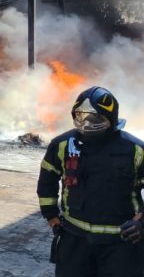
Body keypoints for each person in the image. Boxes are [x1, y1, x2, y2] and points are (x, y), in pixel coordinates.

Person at [37, 86, 144, 276]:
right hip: (74, 241)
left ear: (110, 117)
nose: (86, 123)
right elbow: (47, 181)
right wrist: (51, 216)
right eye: (80, 116)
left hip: (121, 244)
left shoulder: (135, 149)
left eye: (94, 118)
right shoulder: (62, 145)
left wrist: (142, 223)